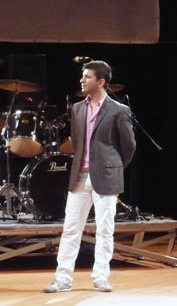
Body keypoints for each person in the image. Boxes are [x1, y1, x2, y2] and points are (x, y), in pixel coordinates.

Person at [44, 60, 136, 293]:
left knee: (105, 229)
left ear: (101, 81)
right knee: (70, 229)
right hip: (80, 177)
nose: (82, 80)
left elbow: (129, 146)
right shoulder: (78, 109)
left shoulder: (119, 110)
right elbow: (77, 143)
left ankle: (101, 277)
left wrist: (112, 167)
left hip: (106, 176)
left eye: (87, 77)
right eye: (82, 76)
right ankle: (63, 279)